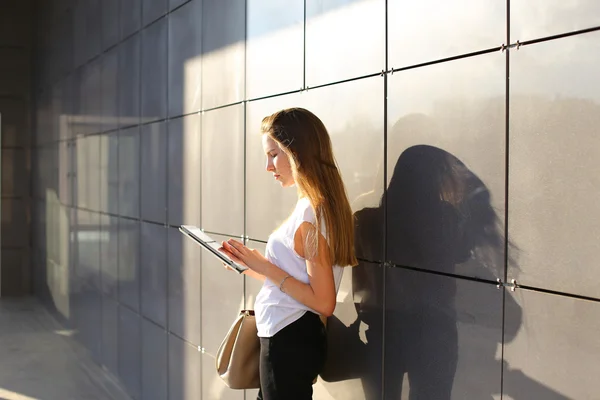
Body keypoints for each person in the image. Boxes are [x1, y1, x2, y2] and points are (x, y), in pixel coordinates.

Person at [220, 107, 358, 400]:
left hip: (289, 340)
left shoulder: (311, 215)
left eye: (273, 154)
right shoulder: (310, 206)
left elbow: (324, 301)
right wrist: (249, 265)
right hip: (287, 337)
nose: (268, 166)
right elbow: (296, 280)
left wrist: (266, 268)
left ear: (297, 152)